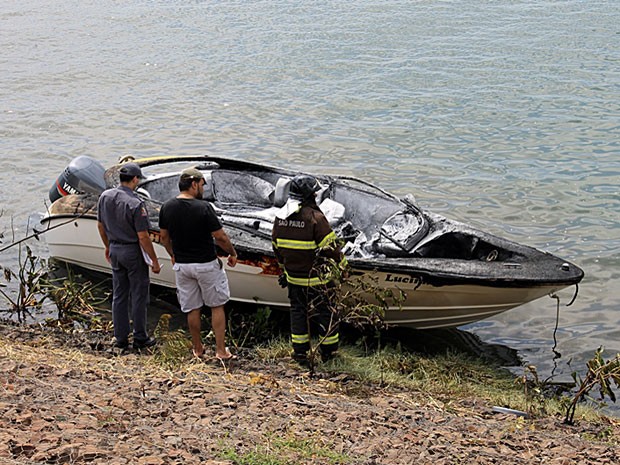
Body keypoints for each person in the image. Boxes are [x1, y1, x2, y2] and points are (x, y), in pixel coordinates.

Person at [158, 167, 238, 360]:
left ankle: (198, 349)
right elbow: (220, 236)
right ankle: (220, 351)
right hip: (206, 264)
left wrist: (172, 254)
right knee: (216, 306)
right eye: (202, 185)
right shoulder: (203, 208)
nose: (203, 189)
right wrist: (232, 253)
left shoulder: (167, 207)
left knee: (192, 308)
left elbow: (163, 237)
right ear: (194, 184)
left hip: (183, 266)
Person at [271, 174, 347, 363]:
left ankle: (300, 353)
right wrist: (343, 267)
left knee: (298, 312)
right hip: (318, 279)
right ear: (309, 195)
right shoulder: (316, 218)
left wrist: (284, 270)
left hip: (294, 278)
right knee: (326, 312)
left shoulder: (280, 217)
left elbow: (276, 247)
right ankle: (328, 353)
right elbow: (331, 248)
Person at [97, 162, 161, 350]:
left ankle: (121, 337)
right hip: (132, 251)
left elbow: (100, 226)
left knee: (119, 294)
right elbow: (143, 236)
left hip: (115, 248)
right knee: (139, 295)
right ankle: (140, 337)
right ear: (134, 179)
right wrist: (154, 260)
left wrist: (108, 247)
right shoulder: (135, 203)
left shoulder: (105, 197)